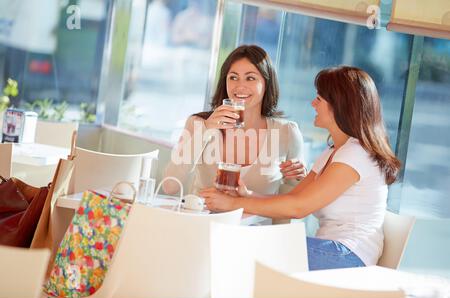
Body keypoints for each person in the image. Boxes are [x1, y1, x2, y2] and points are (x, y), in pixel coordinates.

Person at [200, 66, 401, 271]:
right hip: (332, 250)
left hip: (348, 256)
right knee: (243, 240)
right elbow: (293, 198)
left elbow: (298, 208)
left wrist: (234, 203)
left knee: (240, 245)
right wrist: (246, 195)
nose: (313, 103)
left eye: (319, 99)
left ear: (340, 106)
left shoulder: (356, 154)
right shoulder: (334, 151)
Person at [163, 44, 307, 196]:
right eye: (233, 77)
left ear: (266, 83)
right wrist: (205, 130)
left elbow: (291, 202)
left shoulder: (287, 132)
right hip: (203, 218)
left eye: (250, 78)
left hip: (255, 220)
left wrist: (301, 179)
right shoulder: (198, 123)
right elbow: (169, 186)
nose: (240, 86)